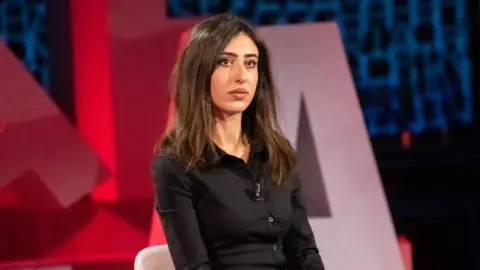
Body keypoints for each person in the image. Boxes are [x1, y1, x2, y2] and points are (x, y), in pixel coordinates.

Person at [151, 13, 325, 270]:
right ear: (199, 72)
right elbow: (194, 266)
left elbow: (304, 252)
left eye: (251, 63)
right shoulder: (176, 165)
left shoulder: (278, 154)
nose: (241, 76)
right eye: (225, 62)